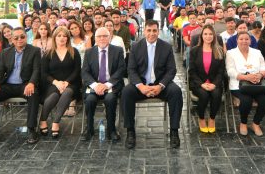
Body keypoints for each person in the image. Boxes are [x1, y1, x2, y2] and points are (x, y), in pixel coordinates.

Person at [123, 20, 182, 149]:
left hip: (160, 84)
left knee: (176, 91)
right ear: (144, 31)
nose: (151, 33)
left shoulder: (166, 47)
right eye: (149, 30)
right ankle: (130, 131)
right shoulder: (135, 47)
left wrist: (160, 86)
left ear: (158, 31)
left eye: (154, 30)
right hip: (141, 84)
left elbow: (171, 70)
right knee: (126, 92)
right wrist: (140, 86)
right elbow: (131, 70)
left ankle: (174, 131)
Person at [0, 27, 42, 146]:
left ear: (26, 37)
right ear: (11, 39)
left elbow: (37, 70)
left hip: (25, 84)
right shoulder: (5, 52)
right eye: (16, 37)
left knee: (33, 94)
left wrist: (32, 83)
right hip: (8, 84)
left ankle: (31, 129)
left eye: (22, 37)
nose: (19, 39)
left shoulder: (34, 51)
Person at [34, 26, 81, 138]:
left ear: (68, 38)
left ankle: (56, 122)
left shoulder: (74, 52)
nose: (62, 38)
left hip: (71, 83)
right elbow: (44, 73)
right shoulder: (48, 53)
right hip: (52, 84)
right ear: (54, 38)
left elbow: (77, 70)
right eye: (59, 36)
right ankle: (43, 119)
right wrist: (56, 82)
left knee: (67, 92)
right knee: (54, 95)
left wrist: (66, 82)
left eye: (64, 36)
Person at [81, 27, 126, 141]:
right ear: (95, 38)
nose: (102, 38)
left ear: (109, 37)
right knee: (90, 100)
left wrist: (107, 85)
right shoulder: (89, 52)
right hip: (94, 85)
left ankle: (111, 130)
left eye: (105, 36)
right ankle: (89, 129)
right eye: (99, 36)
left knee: (110, 99)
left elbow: (121, 70)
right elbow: (85, 72)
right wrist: (96, 85)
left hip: (112, 85)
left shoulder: (117, 51)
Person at [226, 31, 265, 136]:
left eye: (246, 39)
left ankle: (255, 123)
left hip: (256, 84)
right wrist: (246, 77)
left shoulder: (257, 52)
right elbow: (230, 71)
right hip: (239, 85)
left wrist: (260, 75)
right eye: (241, 39)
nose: (244, 41)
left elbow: (264, 68)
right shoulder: (230, 53)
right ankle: (243, 123)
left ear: (250, 41)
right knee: (246, 100)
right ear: (237, 40)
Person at [189, 25, 225, 133]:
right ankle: (201, 118)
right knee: (204, 95)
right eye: (205, 34)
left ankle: (212, 118)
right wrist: (201, 84)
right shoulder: (194, 51)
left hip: (215, 82)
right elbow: (192, 71)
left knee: (216, 94)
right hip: (198, 83)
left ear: (214, 36)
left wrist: (214, 84)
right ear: (201, 36)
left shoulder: (219, 50)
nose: (208, 36)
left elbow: (221, 71)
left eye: (210, 34)